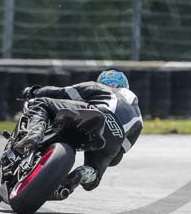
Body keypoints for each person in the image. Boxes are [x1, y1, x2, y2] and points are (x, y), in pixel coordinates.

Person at [15, 69, 143, 196]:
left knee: (41, 102)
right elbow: (117, 156)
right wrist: (104, 158)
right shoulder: (138, 116)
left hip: (97, 113)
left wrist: (33, 91)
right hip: (116, 136)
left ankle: (34, 135)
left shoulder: (99, 87)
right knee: (95, 173)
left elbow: (62, 92)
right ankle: (82, 174)